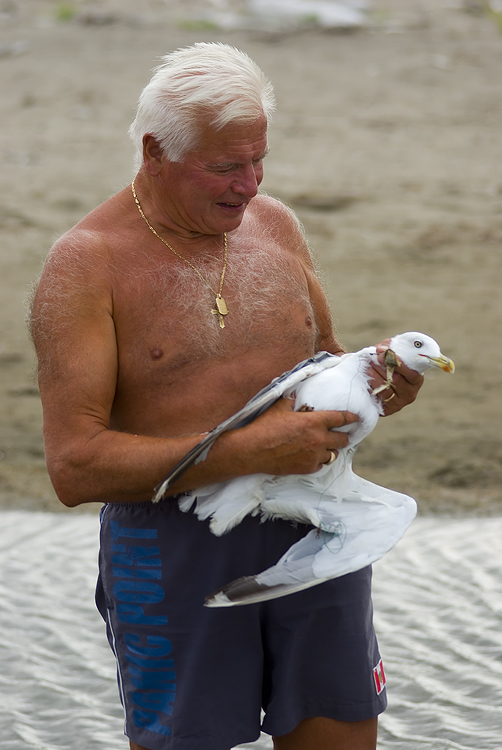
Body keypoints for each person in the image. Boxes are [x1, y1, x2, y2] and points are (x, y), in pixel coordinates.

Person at [30, 43, 423, 750]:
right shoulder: (87, 264)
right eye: (225, 166)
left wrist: (369, 382)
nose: (250, 185)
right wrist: (246, 451)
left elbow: (323, 358)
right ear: (154, 152)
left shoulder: (274, 226)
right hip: (173, 540)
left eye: (258, 159)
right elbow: (74, 467)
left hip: (318, 519)